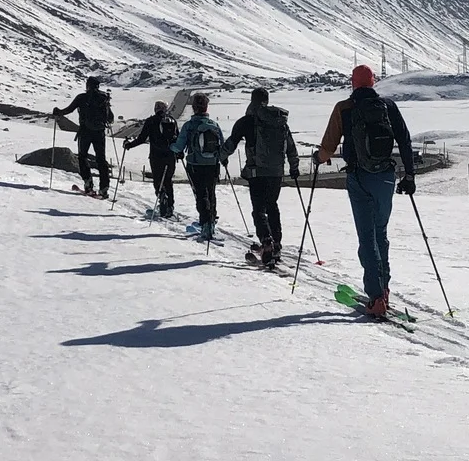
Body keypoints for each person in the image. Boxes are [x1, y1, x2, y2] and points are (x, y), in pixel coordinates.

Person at [314, 66, 417, 317]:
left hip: (359, 177)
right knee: (380, 232)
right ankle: (385, 287)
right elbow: (404, 140)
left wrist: (319, 157)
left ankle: (376, 297)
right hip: (385, 177)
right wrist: (410, 175)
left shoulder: (344, 108)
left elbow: (329, 145)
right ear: (373, 83)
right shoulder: (388, 106)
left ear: (353, 84)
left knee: (366, 237)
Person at [222, 88, 300, 267]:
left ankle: (266, 243)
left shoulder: (247, 121)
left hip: (257, 172)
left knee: (259, 209)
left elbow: (232, 143)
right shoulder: (280, 121)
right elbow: (290, 147)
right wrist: (294, 167)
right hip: (276, 172)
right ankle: (277, 243)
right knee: (272, 205)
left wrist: (221, 157)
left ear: (252, 100)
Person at [172, 93, 227, 240]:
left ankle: (205, 224)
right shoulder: (214, 125)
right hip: (213, 164)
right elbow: (222, 144)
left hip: (195, 164)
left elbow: (178, 146)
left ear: (193, 107)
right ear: (206, 107)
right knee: (211, 193)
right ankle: (211, 220)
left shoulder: (189, 126)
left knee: (201, 194)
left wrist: (171, 147)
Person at [50, 76, 115, 198]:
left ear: (88, 86)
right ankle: (104, 188)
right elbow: (110, 118)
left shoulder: (82, 97)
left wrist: (58, 111)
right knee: (101, 160)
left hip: (85, 131)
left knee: (82, 157)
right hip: (100, 133)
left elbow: (69, 110)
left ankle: (88, 184)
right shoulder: (103, 98)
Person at [125, 101, 180, 219]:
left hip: (156, 156)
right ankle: (170, 206)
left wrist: (129, 145)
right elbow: (178, 139)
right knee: (168, 181)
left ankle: (162, 199)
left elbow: (141, 139)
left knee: (158, 180)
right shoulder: (172, 121)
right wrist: (179, 153)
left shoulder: (150, 121)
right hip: (170, 156)